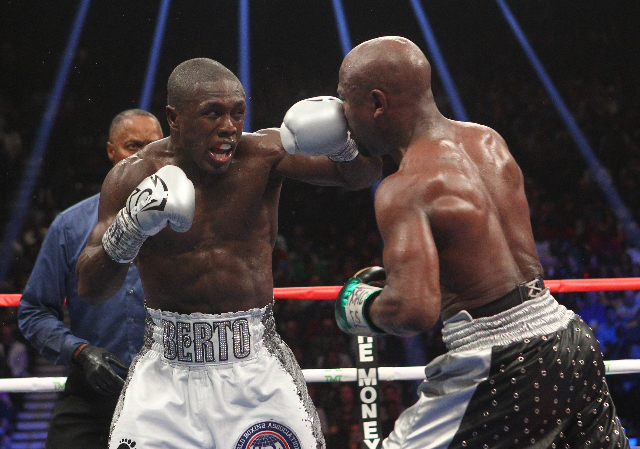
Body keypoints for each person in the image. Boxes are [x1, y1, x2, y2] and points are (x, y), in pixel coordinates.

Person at [334, 36, 629, 448]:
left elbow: (413, 309)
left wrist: (358, 306)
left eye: (346, 101)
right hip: (568, 337)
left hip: (501, 358)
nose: (343, 117)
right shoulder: (488, 141)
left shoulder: (404, 188)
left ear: (377, 103)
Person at [75, 58, 382, 449]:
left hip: (256, 367)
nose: (229, 127)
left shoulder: (264, 154)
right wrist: (129, 228)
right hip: (165, 373)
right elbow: (90, 289)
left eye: (238, 113)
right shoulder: (132, 176)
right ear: (174, 117)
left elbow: (362, 176)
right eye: (212, 113)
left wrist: (343, 146)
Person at [18, 109, 163, 448]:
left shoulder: (190, 224)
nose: (144, 156)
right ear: (111, 151)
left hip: (169, 390)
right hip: (93, 390)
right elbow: (34, 311)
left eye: (154, 146)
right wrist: (80, 352)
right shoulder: (70, 226)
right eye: (133, 146)